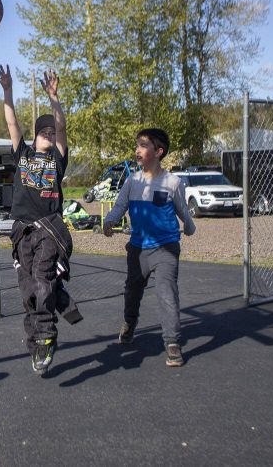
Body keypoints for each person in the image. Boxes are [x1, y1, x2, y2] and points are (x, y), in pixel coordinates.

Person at [0, 64, 79, 376]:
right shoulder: (23, 154)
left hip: (47, 230)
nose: (49, 134)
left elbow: (62, 127)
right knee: (29, 289)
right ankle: (38, 342)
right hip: (22, 232)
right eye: (44, 131)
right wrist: (7, 90)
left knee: (42, 282)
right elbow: (11, 121)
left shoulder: (56, 160)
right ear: (35, 135)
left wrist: (54, 99)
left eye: (52, 132)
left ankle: (45, 337)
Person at [102, 128, 196, 367]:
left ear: (159, 151)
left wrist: (190, 226)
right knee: (133, 292)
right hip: (137, 249)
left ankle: (172, 342)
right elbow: (119, 206)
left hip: (166, 248)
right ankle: (129, 324)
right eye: (137, 145)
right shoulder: (132, 181)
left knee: (166, 293)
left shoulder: (172, 182)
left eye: (143, 145)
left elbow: (182, 211)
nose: (137, 150)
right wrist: (110, 220)